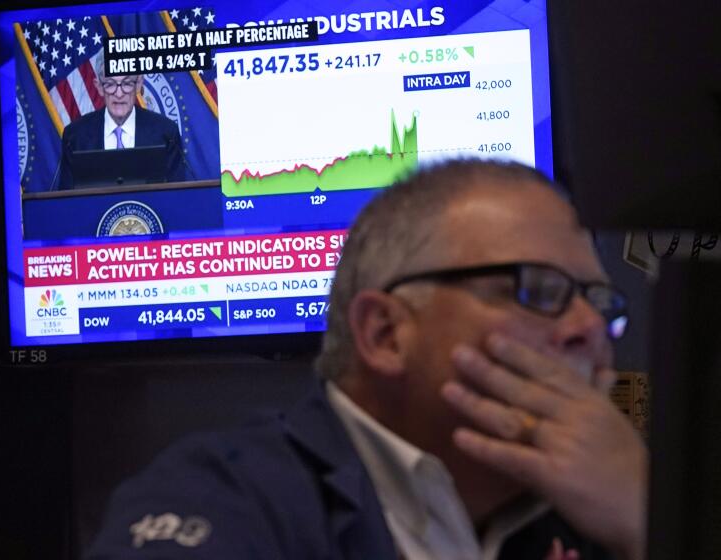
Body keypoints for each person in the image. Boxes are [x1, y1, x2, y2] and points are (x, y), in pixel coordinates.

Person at [86, 160, 648, 560]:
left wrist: (652, 524)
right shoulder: (223, 499)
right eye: (537, 289)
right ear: (385, 334)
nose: (588, 329)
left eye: (600, 302)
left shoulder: (605, 506)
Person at [55, 59, 187, 190]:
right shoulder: (75, 137)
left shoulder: (165, 134)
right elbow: (67, 202)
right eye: (111, 84)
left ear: (139, 84)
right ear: (99, 87)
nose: (119, 94)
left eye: (127, 83)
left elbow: (177, 197)